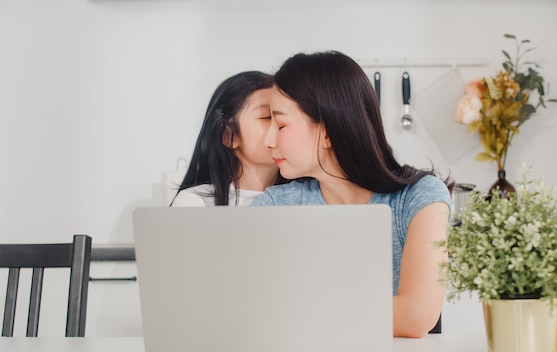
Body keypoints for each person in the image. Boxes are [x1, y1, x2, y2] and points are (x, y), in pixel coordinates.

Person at [251, 51, 454, 338]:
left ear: (328, 131)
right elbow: (250, 310)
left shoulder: (418, 198)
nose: (268, 140)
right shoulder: (274, 207)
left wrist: (296, 309)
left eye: (281, 125)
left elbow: (416, 316)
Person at [171, 71, 282, 206]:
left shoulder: (307, 196)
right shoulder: (195, 203)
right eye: (267, 116)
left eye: (284, 116)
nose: (281, 124)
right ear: (228, 136)